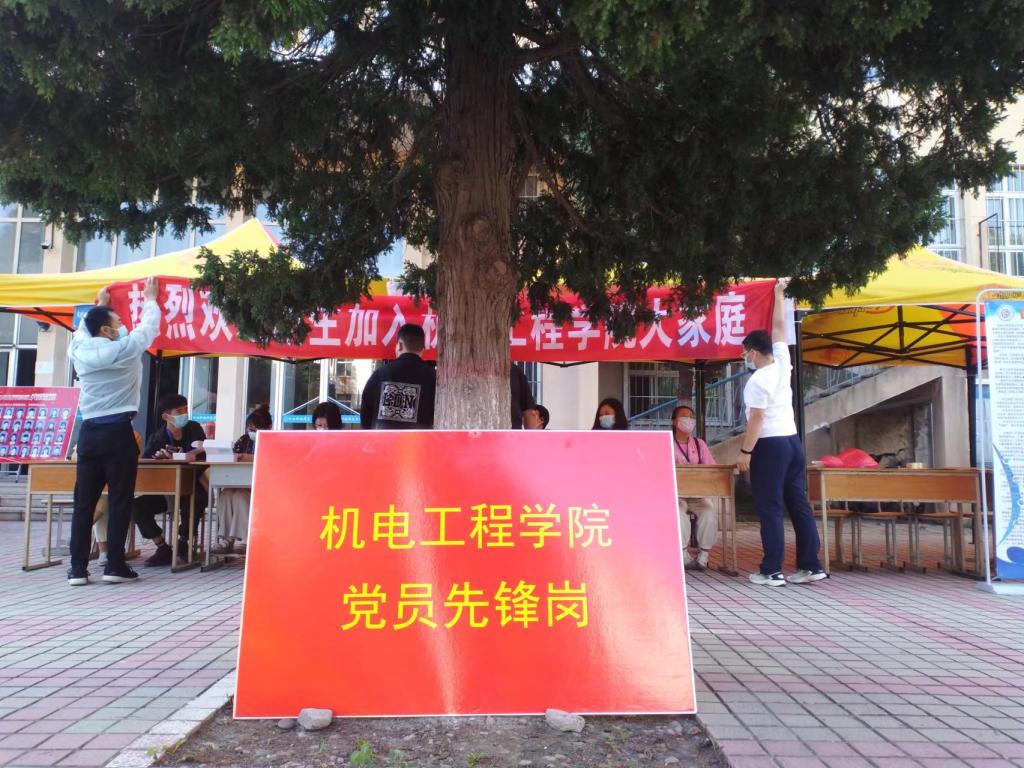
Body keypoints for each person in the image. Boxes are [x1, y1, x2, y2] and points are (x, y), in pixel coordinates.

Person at [67, 277, 160, 586]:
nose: (123, 325)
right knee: (120, 500)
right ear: (107, 331)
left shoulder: (77, 349)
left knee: (84, 503)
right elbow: (148, 328)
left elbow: (83, 330)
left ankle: (77, 569)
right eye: (118, 322)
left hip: (89, 433)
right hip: (118, 433)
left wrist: (100, 305)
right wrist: (150, 299)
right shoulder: (125, 349)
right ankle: (115, 566)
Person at [738, 278, 825, 587]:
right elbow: (779, 329)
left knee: (770, 506)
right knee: (798, 504)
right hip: (792, 442)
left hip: (770, 445)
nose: (745, 358)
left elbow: (757, 420)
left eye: (745, 353)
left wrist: (745, 452)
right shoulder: (783, 363)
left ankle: (771, 570)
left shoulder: (757, 381)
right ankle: (811, 565)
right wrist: (779, 295)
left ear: (753, 352)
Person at [132, 394, 209, 567]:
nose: (184, 414)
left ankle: (184, 542)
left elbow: (204, 451)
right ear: (166, 416)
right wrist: (159, 459)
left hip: (192, 486)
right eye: (179, 411)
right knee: (136, 506)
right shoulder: (157, 438)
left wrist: (192, 454)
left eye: (186, 410)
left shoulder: (194, 428)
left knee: (196, 500)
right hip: (165, 491)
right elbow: (146, 462)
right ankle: (162, 547)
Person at [212, 405, 272, 555]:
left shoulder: (272, 440)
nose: (252, 432)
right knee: (226, 494)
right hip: (239, 482)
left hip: (262, 487)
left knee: (240, 496)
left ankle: (247, 538)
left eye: (256, 429)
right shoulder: (244, 440)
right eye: (250, 428)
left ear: (268, 427)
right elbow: (232, 454)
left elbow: (273, 458)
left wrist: (251, 457)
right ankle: (226, 539)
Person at [360, 324, 436, 429]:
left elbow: (366, 411)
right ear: (423, 350)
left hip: (382, 437)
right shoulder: (433, 377)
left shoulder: (380, 374)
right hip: (420, 438)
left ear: (400, 345)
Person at [671, 404, 718, 570]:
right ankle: (683, 554)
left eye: (691, 417)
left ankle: (704, 554)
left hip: (697, 494)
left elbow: (712, 468)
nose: (689, 420)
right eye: (684, 416)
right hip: (677, 494)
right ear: (674, 421)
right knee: (678, 511)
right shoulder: (667, 442)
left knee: (709, 509)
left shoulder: (699, 444)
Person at [89, 431, 144, 566]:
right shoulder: (94, 431)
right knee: (100, 500)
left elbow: (133, 458)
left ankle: (82, 530)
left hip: (121, 482)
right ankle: (103, 550)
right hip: (99, 483)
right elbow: (75, 454)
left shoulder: (132, 435)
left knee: (103, 501)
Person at [510, 364, 536, 428]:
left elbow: (528, 411)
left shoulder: (515, 371)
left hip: (513, 429)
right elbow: (528, 412)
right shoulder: (515, 370)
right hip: (513, 428)